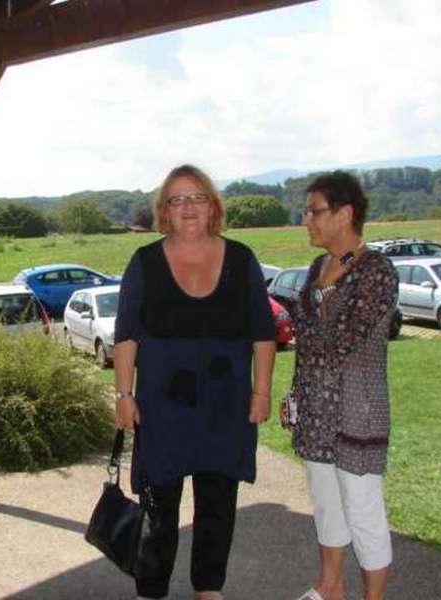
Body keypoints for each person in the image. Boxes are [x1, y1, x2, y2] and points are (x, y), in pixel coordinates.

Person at [114, 164, 277, 600]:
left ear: (213, 206)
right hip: (161, 407)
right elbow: (126, 336)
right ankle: (152, 590)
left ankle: (209, 589)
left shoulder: (241, 259)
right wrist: (124, 394)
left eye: (197, 197)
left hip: (225, 406)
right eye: (177, 199)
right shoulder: (144, 261)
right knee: (158, 509)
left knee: (218, 505)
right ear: (164, 211)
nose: (188, 207)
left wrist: (261, 392)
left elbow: (263, 334)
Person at [284, 171, 397, 600]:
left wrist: (303, 325)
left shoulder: (377, 271)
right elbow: (309, 344)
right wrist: (295, 396)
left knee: (363, 509)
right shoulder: (317, 267)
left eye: (314, 211)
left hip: (357, 410)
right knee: (327, 503)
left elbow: (341, 342)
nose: (306, 220)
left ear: (345, 213)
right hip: (316, 409)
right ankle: (330, 586)